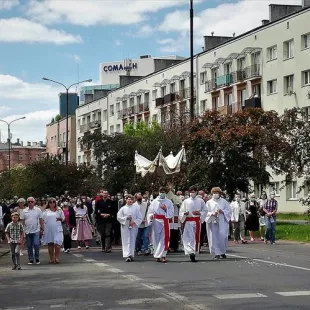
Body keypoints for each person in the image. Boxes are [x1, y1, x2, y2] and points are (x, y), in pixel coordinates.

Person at [179, 187, 207, 262]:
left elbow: (205, 211)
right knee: (187, 237)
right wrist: (184, 214)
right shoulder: (186, 201)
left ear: (196, 192)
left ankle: (193, 252)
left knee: (194, 238)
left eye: (193, 191)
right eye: (191, 192)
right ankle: (190, 251)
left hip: (196, 221)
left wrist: (199, 213)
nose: (192, 193)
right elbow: (181, 211)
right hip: (188, 221)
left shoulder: (200, 201)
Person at [147, 187, 174, 263]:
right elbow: (150, 211)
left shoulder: (169, 202)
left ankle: (163, 255)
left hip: (164, 220)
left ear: (165, 193)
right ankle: (157, 255)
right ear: (159, 192)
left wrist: (166, 209)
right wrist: (151, 216)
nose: (162, 193)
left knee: (164, 238)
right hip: (156, 221)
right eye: (161, 192)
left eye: (163, 192)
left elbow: (171, 213)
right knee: (156, 238)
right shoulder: (154, 202)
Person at [205, 187, 232, 260]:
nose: (215, 194)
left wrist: (223, 212)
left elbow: (229, 210)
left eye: (217, 193)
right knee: (214, 237)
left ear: (220, 194)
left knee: (223, 236)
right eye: (214, 193)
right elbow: (205, 212)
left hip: (222, 221)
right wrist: (211, 213)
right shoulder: (209, 202)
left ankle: (222, 252)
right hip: (213, 222)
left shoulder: (224, 201)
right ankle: (216, 253)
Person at [117, 195, 142, 262]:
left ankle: (131, 254)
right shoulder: (123, 209)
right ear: (126, 200)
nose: (130, 201)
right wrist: (126, 218)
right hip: (125, 227)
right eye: (128, 199)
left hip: (133, 226)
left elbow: (140, 218)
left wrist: (134, 222)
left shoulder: (136, 208)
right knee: (126, 240)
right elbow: (118, 217)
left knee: (132, 240)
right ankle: (127, 255)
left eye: (131, 199)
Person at [20, 197, 44, 265]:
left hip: (36, 230)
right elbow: (22, 221)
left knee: (36, 244)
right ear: (27, 203)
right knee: (29, 245)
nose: (30, 203)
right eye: (29, 202)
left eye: (31, 201)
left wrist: (42, 228)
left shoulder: (38, 210)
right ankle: (31, 259)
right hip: (27, 230)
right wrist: (21, 230)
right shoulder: (24, 211)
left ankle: (37, 258)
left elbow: (41, 219)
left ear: (34, 202)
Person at [42, 197, 65, 264]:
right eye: (50, 202)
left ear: (55, 203)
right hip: (49, 229)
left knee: (57, 244)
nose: (52, 203)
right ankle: (51, 258)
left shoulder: (59, 210)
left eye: (53, 202)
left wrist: (60, 219)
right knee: (50, 244)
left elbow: (63, 218)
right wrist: (42, 228)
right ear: (48, 203)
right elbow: (42, 220)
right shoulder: (46, 211)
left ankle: (57, 257)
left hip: (57, 228)